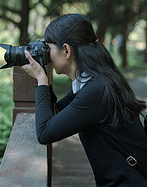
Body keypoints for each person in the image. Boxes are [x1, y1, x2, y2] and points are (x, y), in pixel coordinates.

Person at [21, 13, 147, 186]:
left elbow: (45, 132)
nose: (47, 54)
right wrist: (44, 77)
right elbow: (56, 114)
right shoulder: (95, 81)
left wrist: (41, 80)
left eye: (48, 48)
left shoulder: (96, 91)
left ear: (66, 50)